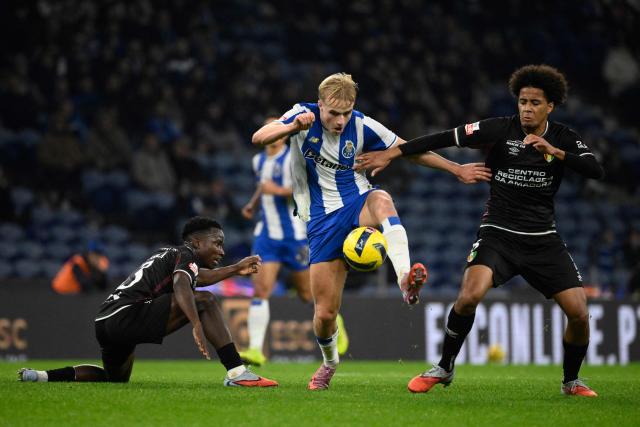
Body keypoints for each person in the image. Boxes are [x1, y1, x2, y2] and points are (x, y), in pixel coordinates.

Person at [355, 64, 604, 397]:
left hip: (543, 239)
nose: (527, 109)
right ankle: (443, 368)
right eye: (522, 102)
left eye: (534, 103)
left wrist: (556, 153)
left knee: (579, 313)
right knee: (469, 296)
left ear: (550, 106)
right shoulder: (499, 129)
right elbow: (445, 138)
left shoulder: (563, 137)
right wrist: (393, 153)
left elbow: (595, 169)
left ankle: (571, 381)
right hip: (498, 233)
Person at [252, 73, 490, 390]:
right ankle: (329, 363)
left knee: (382, 199)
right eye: (333, 113)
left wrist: (456, 168)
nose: (339, 121)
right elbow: (260, 137)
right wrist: (293, 126)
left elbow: (410, 149)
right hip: (322, 221)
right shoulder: (301, 114)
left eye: (346, 113)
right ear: (320, 104)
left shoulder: (363, 126)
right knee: (324, 315)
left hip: (357, 202)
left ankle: (404, 277)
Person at [19, 216, 277, 387]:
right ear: (196, 242)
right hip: (127, 314)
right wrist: (196, 323)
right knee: (207, 301)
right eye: (217, 243)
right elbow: (181, 283)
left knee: (114, 378)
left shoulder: (173, 254)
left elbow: (198, 277)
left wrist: (235, 268)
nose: (221, 251)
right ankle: (236, 372)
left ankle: (42, 376)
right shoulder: (185, 253)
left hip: (106, 320)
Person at [240, 118, 348, 366]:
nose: (272, 134)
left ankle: (334, 320)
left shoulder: (293, 157)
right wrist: (252, 204)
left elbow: (300, 189)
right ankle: (256, 349)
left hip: (294, 236)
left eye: (276, 129)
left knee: (306, 294)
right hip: (266, 235)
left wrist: (273, 191)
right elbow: (262, 185)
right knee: (260, 290)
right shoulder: (257, 161)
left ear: (282, 135)